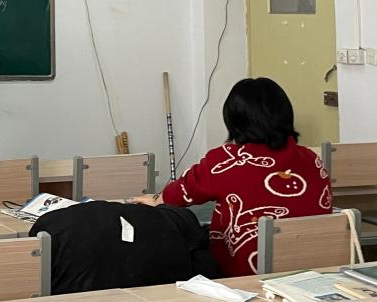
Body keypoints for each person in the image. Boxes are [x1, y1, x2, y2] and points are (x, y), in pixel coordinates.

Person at [133, 77, 331, 277]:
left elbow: (180, 193)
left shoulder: (226, 161)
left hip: (245, 276)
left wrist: (157, 199)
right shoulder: (312, 159)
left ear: (234, 120)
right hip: (315, 271)